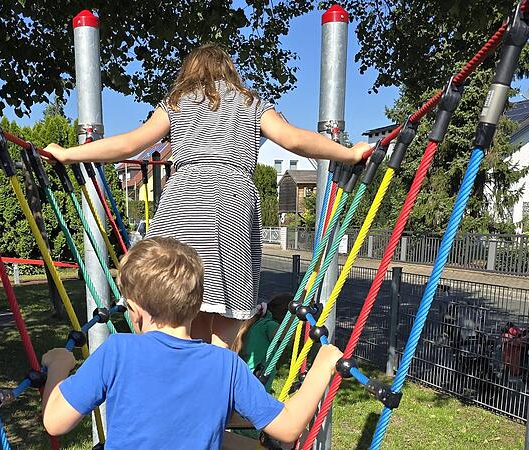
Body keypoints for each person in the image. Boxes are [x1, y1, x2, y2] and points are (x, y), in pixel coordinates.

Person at [44, 43, 370, 349]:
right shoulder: (250, 102)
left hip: (182, 202)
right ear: (230, 71)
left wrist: (70, 153)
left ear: (189, 72)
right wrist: (349, 153)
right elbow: (293, 139)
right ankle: (218, 379)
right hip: (233, 201)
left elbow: (131, 143)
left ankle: (175, 378)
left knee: (176, 301)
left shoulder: (176, 104)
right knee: (227, 311)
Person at [41, 237, 344, 448]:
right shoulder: (225, 365)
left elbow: (54, 422)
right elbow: (289, 428)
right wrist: (323, 363)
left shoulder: (118, 351)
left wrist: (58, 366)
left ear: (134, 312)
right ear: (199, 305)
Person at [232, 293, 292, 392]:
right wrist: (296, 315)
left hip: (246, 379)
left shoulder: (257, 322)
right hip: (254, 382)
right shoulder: (268, 325)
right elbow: (286, 335)